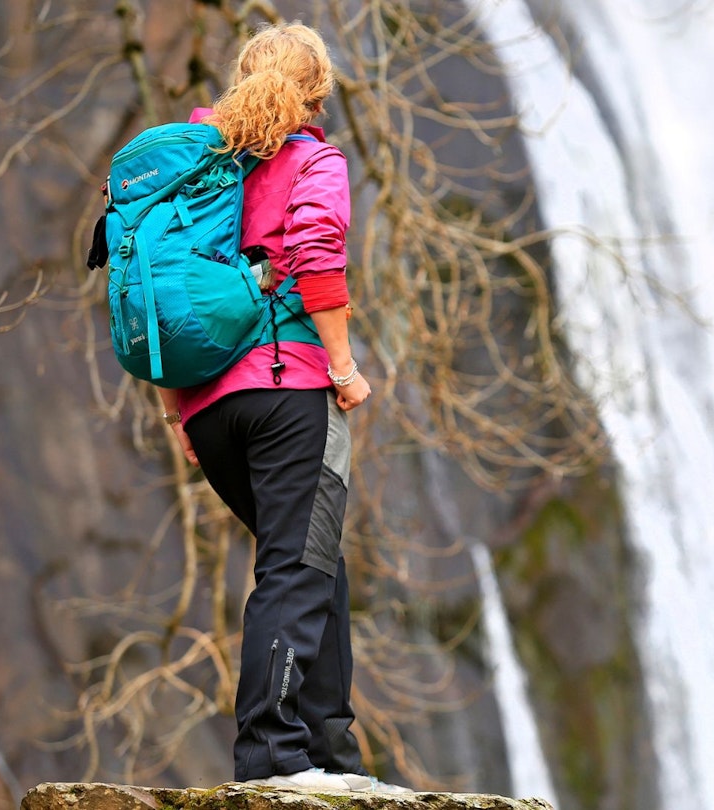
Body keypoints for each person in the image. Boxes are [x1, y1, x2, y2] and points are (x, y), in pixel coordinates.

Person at [154, 22, 405, 795]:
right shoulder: (313, 160)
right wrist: (343, 365)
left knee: (313, 562)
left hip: (208, 409)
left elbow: (158, 293)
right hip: (289, 392)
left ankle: (330, 747)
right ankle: (272, 757)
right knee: (295, 569)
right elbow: (320, 256)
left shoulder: (193, 169)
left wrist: (177, 412)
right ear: (317, 93)